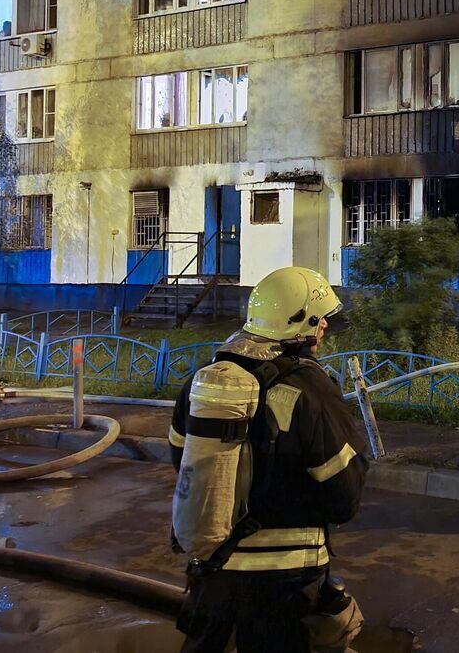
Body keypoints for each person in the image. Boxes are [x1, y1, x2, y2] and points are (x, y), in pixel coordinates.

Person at [169, 266, 368, 653]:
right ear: (300, 324)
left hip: (213, 573)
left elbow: (183, 463)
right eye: (319, 318)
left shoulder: (205, 381)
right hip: (287, 586)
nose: (324, 326)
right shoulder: (311, 391)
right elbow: (343, 498)